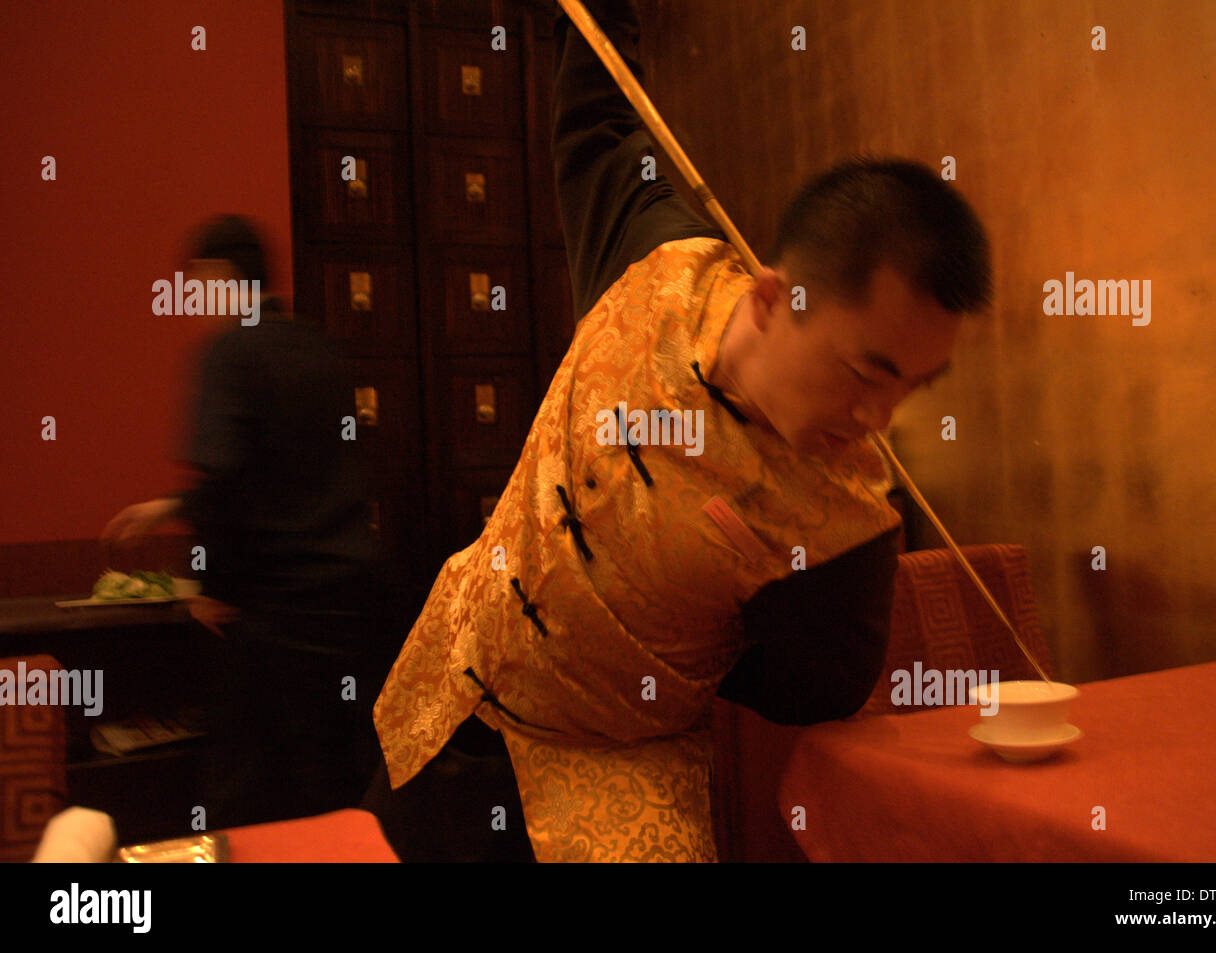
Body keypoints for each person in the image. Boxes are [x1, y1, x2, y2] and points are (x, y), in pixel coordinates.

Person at [364, 0, 992, 862]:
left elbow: (816, 687)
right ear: (775, 300)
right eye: (866, 372)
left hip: (606, 788)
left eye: (912, 387)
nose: (877, 419)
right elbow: (598, 113)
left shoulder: (849, 528)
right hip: (444, 689)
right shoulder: (658, 257)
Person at [101, 215, 392, 830]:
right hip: (350, 606)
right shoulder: (318, 345)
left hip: (274, 618)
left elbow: (227, 480)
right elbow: (293, 469)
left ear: (220, 275)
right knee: (336, 796)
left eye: (196, 281)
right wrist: (169, 508)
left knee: (248, 801)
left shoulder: (230, 352)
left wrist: (208, 585)